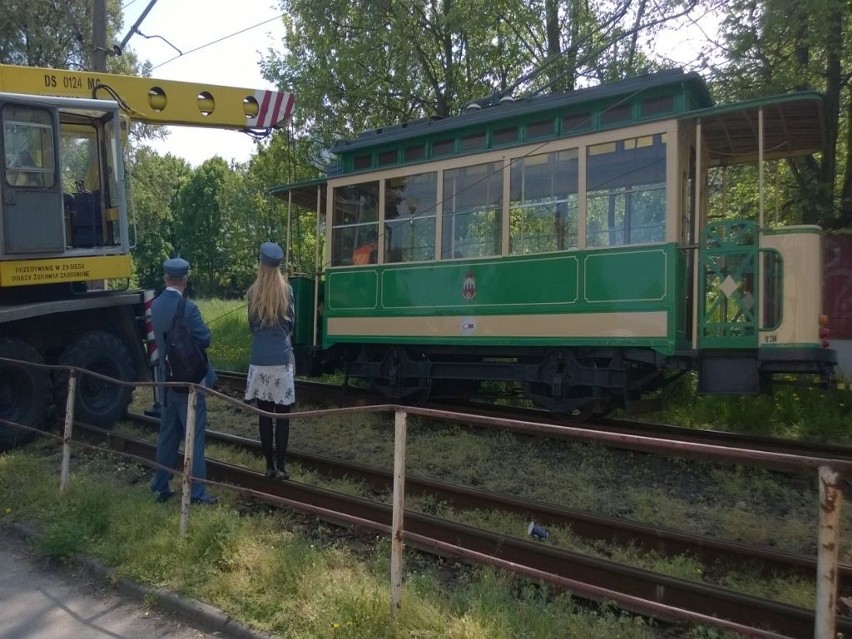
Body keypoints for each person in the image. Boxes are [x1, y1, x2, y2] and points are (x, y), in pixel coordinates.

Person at [149, 257, 219, 505]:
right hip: (190, 382)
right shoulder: (189, 309)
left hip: (167, 382)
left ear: (166, 279)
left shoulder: (155, 306)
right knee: (194, 436)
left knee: (167, 435)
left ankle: (159, 485)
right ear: (185, 280)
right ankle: (198, 493)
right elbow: (205, 339)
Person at [245, 242, 296, 480]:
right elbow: (291, 324)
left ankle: (268, 465)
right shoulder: (286, 291)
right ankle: (282, 466)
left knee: (264, 414)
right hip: (280, 358)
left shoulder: (253, 292)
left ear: (261, 263)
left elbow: (252, 326)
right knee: (282, 415)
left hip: (260, 359)